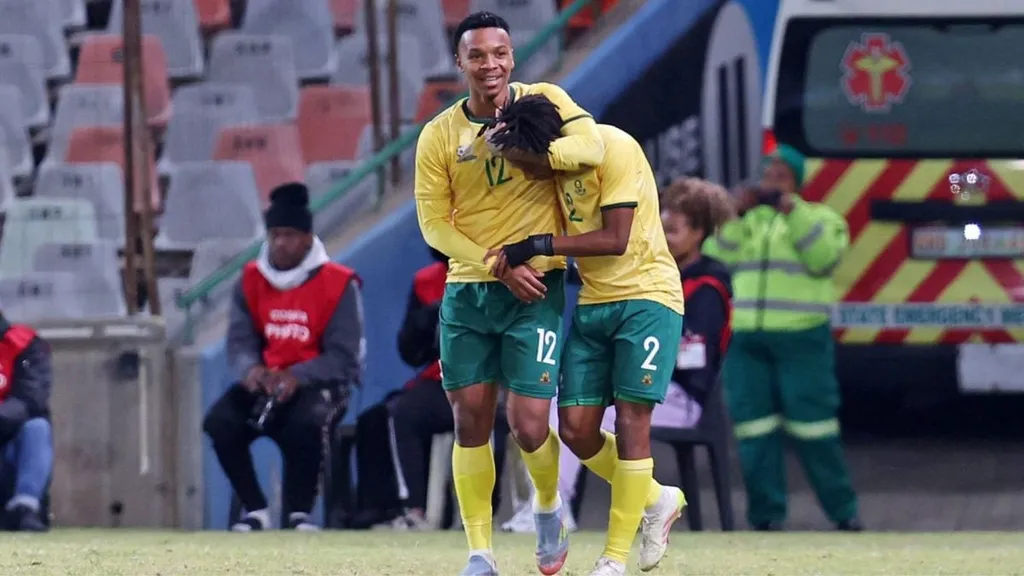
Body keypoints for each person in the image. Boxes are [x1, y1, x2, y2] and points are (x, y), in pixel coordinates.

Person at [414, 10, 605, 575]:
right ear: (459, 63)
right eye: (476, 55)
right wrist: (495, 263)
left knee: (527, 424)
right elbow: (434, 225)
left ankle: (547, 507)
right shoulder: (439, 135)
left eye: (499, 53)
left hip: (537, 286)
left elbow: (591, 147)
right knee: (470, 422)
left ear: (513, 57)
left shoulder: (545, 101)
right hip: (473, 289)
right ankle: (480, 553)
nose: (489, 64)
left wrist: (533, 153)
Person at [484, 95, 684, 576]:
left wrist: (536, 245)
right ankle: (657, 498)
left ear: (549, 149)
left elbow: (615, 239)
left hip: (647, 296)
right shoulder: (550, 168)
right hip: (594, 302)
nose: (524, 172)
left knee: (634, 419)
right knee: (575, 429)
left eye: (525, 162)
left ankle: (614, 558)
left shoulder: (614, 149)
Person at [703, 143, 863, 531]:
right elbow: (713, 256)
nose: (772, 183)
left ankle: (844, 513)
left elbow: (823, 258)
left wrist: (792, 212)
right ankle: (766, 517)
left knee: (815, 429)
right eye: (767, 176)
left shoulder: (820, 218)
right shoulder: (747, 221)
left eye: (781, 177)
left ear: (797, 183)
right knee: (753, 430)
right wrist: (734, 213)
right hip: (746, 341)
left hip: (802, 340)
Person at [203, 182, 364, 532]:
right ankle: (256, 508)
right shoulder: (250, 279)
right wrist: (252, 372)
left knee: (305, 422)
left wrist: (298, 376)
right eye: (274, 234)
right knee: (220, 422)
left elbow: (344, 356)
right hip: (267, 380)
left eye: (289, 235)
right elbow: (239, 340)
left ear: (307, 238)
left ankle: (299, 513)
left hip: (318, 383)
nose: (280, 243)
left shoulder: (339, 283)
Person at [0, 313, 52, 532]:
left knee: (37, 428)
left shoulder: (24, 343)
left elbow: (31, 399)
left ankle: (25, 507)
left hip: (9, 448)